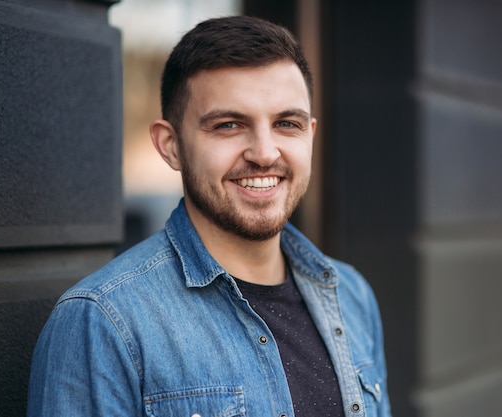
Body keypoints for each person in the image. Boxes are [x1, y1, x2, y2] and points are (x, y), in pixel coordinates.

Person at [27, 15, 391, 417]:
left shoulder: (351, 295)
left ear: (311, 134)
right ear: (171, 146)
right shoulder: (101, 323)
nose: (265, 153)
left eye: (287, 124)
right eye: (229, 125)